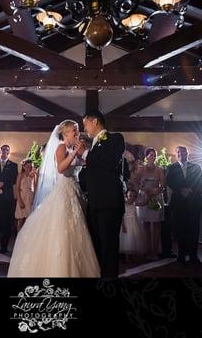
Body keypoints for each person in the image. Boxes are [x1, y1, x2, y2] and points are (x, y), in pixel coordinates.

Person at [8, 120, 100, 277]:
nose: (77, 134)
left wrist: (81, 154)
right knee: (62, 229)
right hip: (63, 192)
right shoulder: (62, 147)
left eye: (78, 131)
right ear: (65, 133)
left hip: (74, 190)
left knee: (75, 231)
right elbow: (61, 168)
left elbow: (81, 166)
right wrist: (74, 153)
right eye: (74, 131)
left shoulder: (73, 148)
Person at [77, 110, 126, 278]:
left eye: (86, 124)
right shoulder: (93, 147)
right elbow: (89, 175)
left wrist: (85, 154)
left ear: (95, 121)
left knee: (109, 246)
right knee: (96, 245)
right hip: (94, 203)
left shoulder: (115, 139)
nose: (84, 128)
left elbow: (108, 162)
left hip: (109, 203)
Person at [166, 146, 202, 265]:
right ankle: (181, 255)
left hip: (194, 202)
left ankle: (193, 255)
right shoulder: (171, 167)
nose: (180, 154)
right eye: (178, 152)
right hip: (178, 203)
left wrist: (191, 190)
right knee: (180, 230)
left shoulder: (196, 167)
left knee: (194, 229)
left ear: (187, 153)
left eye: (182, 152)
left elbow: (200, 180)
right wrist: (181, 190)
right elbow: (169, 181)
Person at [130, 147, 166, 261]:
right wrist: (141, 188)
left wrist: (156, 190)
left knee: (156, 225)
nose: (153, 157)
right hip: (144, 197)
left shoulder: (159, 169)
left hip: (155, 198)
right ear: (146, 157)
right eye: (151, 155)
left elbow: (163, 185)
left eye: (154, 155)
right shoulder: (141, 169)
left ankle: (155, 251)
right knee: (145, 225)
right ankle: (147, 250)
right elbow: (133, 182)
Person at [14, 159, 36, 233]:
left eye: (30, 167)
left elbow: (34, 187)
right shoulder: (20, 175)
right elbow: (17, 189)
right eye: (27, 166)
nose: (29, 168)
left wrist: (33, 199)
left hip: (29, 197)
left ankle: (25, 238)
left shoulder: (32, 176)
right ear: (23, 167)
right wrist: (20, 201)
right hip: (22, 197)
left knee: (28, 219)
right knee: (20, 219)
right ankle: (18, 237)